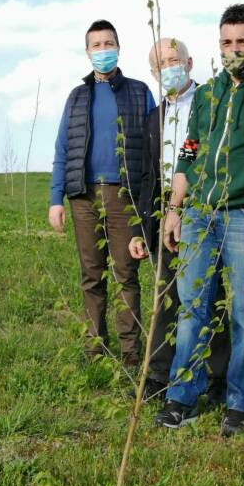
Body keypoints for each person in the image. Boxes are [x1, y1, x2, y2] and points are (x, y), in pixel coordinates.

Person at [155, 4, 244, 435]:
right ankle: (182, 395)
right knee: (191, 309)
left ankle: (240, 403)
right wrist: (174, 210)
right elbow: (188, 154)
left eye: (242, 42)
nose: (233, 50)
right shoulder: (208, 93)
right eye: (226, 42)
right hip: (200, 213)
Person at [129, 38, 231, 401]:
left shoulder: (212, 103)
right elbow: (144, 176)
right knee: (167, 295)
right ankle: (160, 376)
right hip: (164, 215)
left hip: (203, 209)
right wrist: (143, 228)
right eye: (161, 64)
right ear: (154, 73)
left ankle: (218, 376)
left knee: (208, 291)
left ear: (189, 64)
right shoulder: (152, 118)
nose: (169, 67)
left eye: (175, 60)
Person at [49, 19, 155, 365]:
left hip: (124, 195)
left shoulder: (139, 92)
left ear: (119, 48)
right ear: (87, 52)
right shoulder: (78, 96)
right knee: (91, 274)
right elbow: (63, 148)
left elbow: (154, 148)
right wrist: (56, 199)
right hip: (83, 196)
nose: (102, 50)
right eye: (96, 45)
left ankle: (130, 354)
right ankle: (95, 348)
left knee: (126, 274)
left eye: (108, 43)